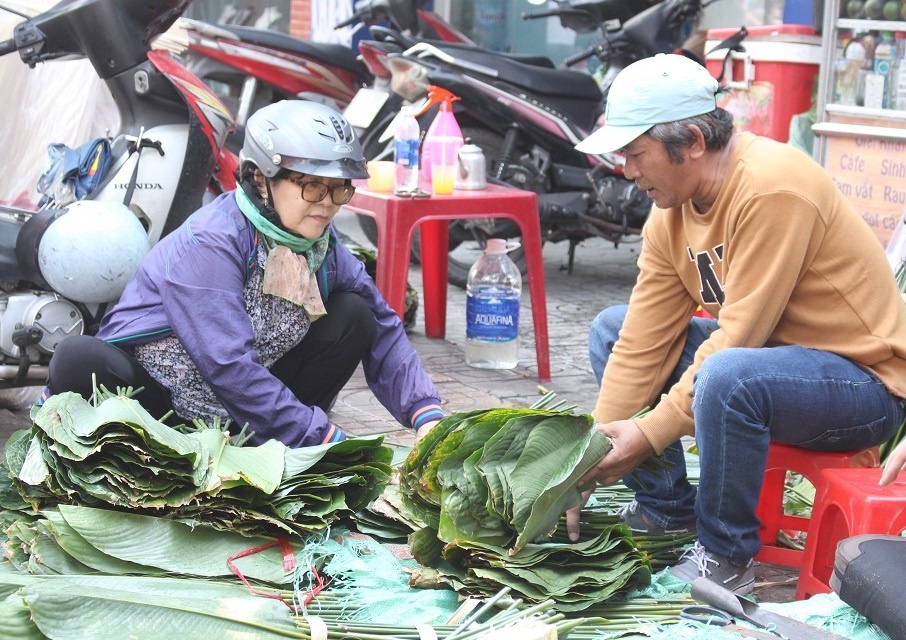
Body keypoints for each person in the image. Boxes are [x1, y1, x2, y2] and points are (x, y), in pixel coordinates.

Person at [567, 54, 906, 594]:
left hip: (862, 384)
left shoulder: (772, 187)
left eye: (636, 154)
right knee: (612, 327)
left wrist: (648, 433)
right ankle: (667, 510)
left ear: (694, 141)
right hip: (768, 361)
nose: (628, 172)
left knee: (727, 375)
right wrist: (582, 463)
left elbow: (739, 335)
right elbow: (643, 340)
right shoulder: (669, 213)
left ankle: (725, 556)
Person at [46, 100, 443, 448]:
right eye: (312, 187)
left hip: (248, 413)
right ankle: (285, 436)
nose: (328, 204)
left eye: (340, 189)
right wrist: (321, 434)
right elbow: (228, 364)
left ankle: (281, 439)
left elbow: (384, 324)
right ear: (260, 180)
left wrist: (426, 416)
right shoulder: (211, 241)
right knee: (77, 358)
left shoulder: (321, 242)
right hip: (162, 408)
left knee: (356, 313)